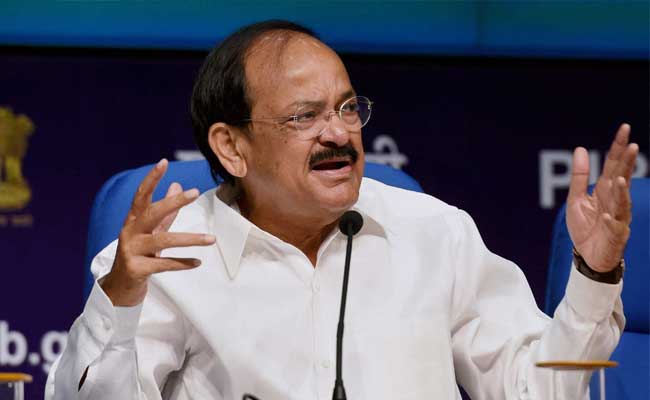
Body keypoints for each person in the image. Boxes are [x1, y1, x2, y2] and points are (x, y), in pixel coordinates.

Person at [46, 20, 639, 400]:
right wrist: (121, 297)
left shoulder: (436, 233)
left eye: (348, 108)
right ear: (231, 147)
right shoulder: (165, 261)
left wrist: (596, 274)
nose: (338, 133)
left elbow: (536, 390)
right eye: (305, 116)